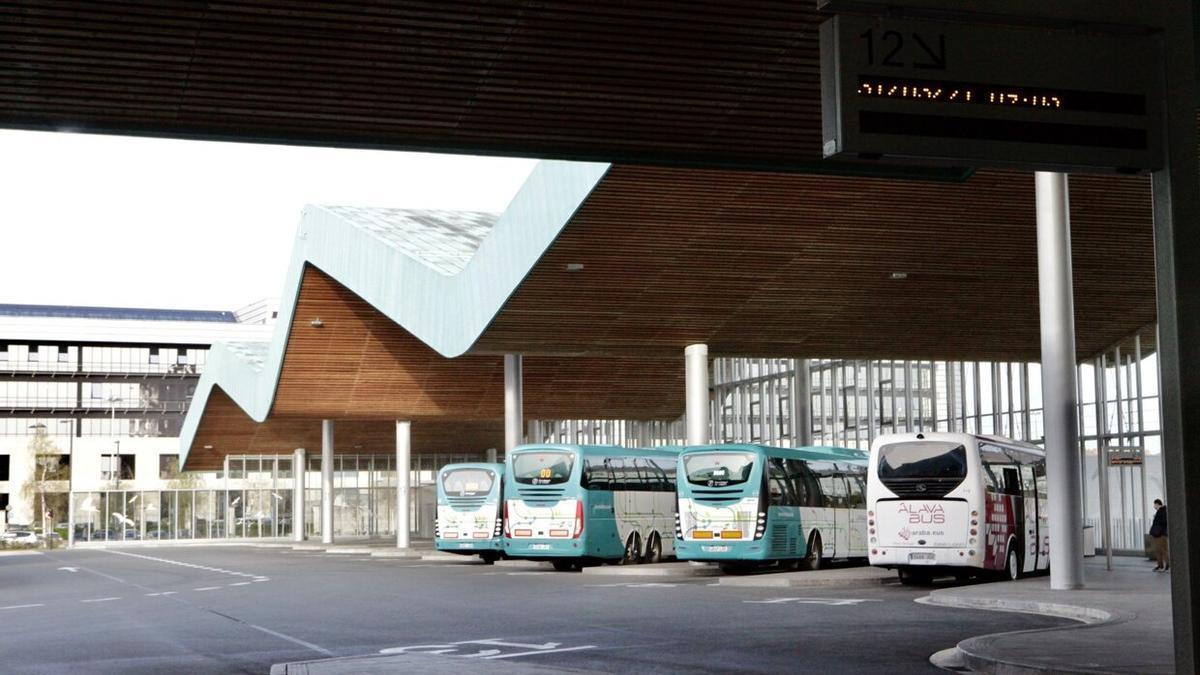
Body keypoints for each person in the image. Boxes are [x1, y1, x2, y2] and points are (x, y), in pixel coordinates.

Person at [1150, 498, 1169, 572]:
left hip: (1161, 534)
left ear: (1158, 504)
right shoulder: (1159, 512)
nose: (1154, 506)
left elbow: (1164, 522)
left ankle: (1167, 566)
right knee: (1158, 550)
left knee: (1164, 550)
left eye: (1155, 504)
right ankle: (1160, 565)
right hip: (1157, 534)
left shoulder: (1163, 511)